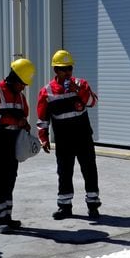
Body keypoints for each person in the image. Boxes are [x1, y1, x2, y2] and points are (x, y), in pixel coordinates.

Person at [36, 49, 100, 220]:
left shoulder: (81, 84)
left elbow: (93, 102)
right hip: (64, 140)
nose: (67, 72)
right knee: (64, 172)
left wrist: (79, 91)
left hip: (83, 136)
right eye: (63, 69)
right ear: (55, 70)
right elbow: (43, 118)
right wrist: (43, 138)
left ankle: (93, 205)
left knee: (89, 170)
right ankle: (65, 207)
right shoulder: (47, 91)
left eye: (69, 68)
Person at [0, 58, 35, 234]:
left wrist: (25, 124)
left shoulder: (20, 96)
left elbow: (24, 115)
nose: (24, 87)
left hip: (13, 141)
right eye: (22, 84)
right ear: (14, 79)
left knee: (11, 177)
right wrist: (13, 121)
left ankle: (7, 217)